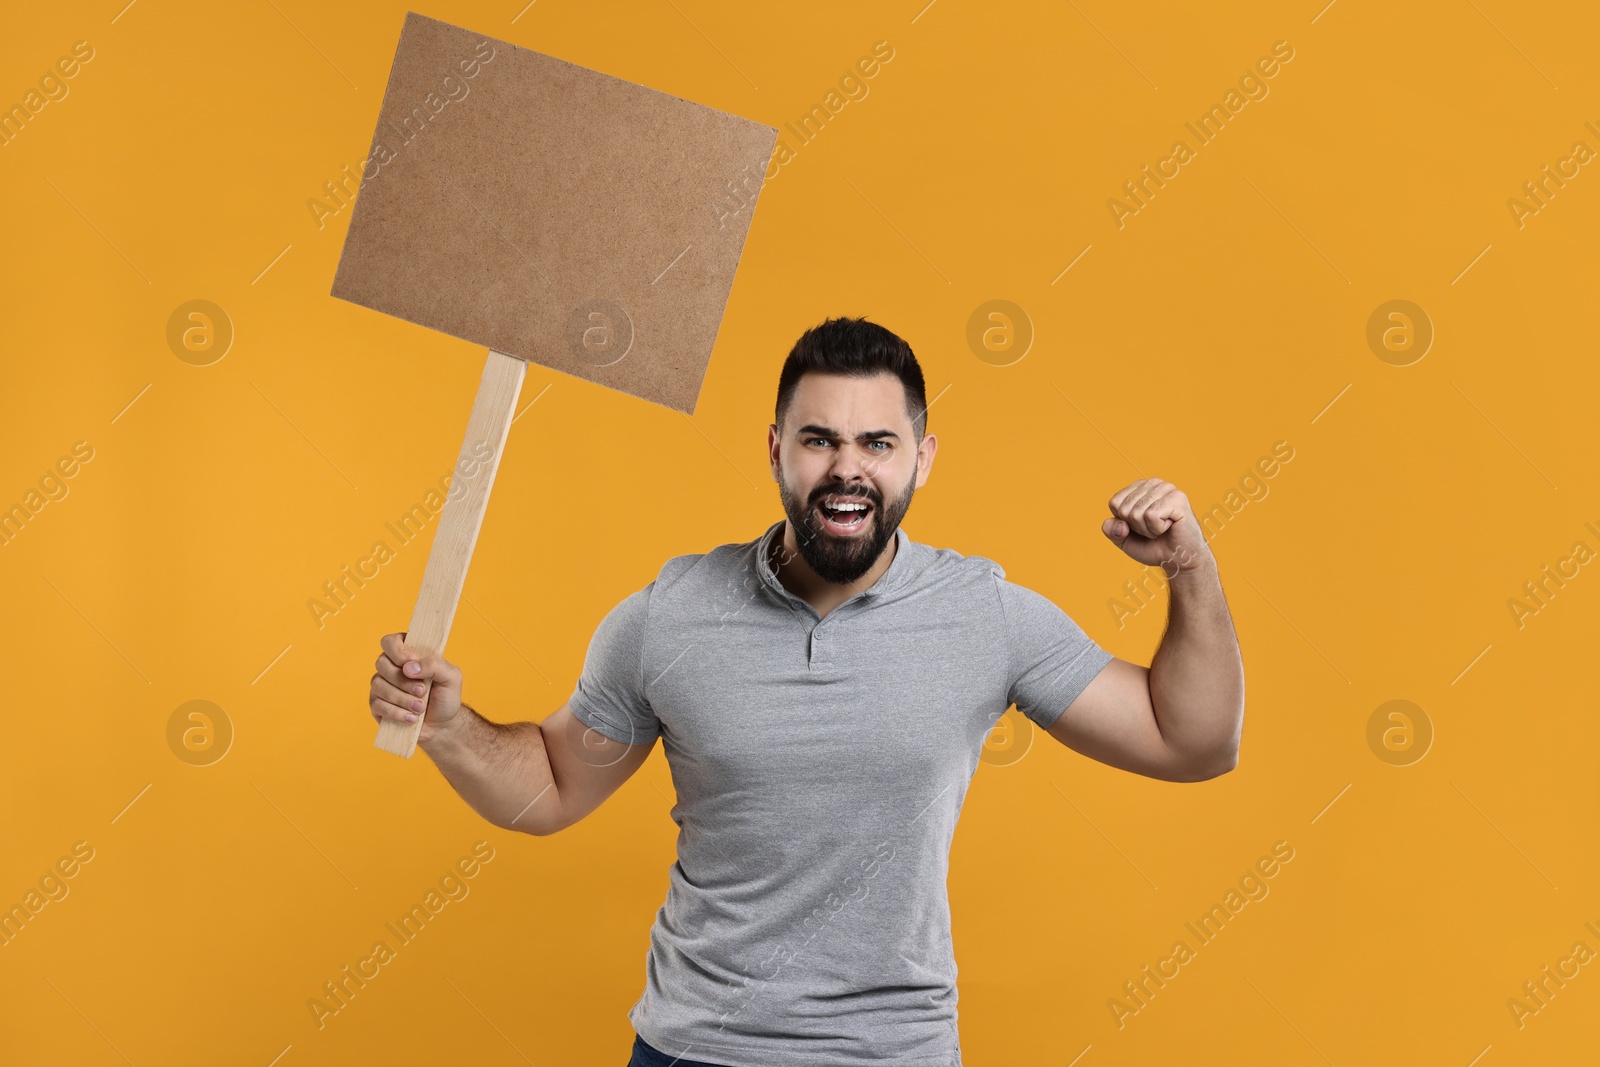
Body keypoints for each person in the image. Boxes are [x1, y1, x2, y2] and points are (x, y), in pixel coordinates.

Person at [368, 316, 1245, 1066]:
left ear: (923, 458)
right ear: (777, 448)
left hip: (893, 1052)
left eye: (877, 442)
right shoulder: (671, 613)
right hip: (697, 1049)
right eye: (819, 439)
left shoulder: (985, 614)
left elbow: (1191, 740)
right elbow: (554, 784)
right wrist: (447, 725)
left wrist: (1190, 566)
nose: (846, 468)